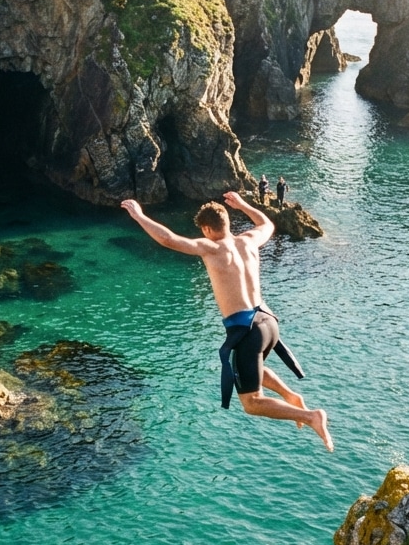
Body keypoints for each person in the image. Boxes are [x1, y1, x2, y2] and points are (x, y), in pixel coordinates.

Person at [120, 191, 333, 451]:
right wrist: (243, 205)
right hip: (268, 322)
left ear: (207, 229)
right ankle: (290, 395)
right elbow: (267, 224)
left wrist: (139, 215)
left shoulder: (211, 248)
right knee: (247, 368)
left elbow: (168, 239)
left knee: (252, 402)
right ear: (228, 224)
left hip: (247, 330)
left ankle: (311, 416)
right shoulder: (248, 241)